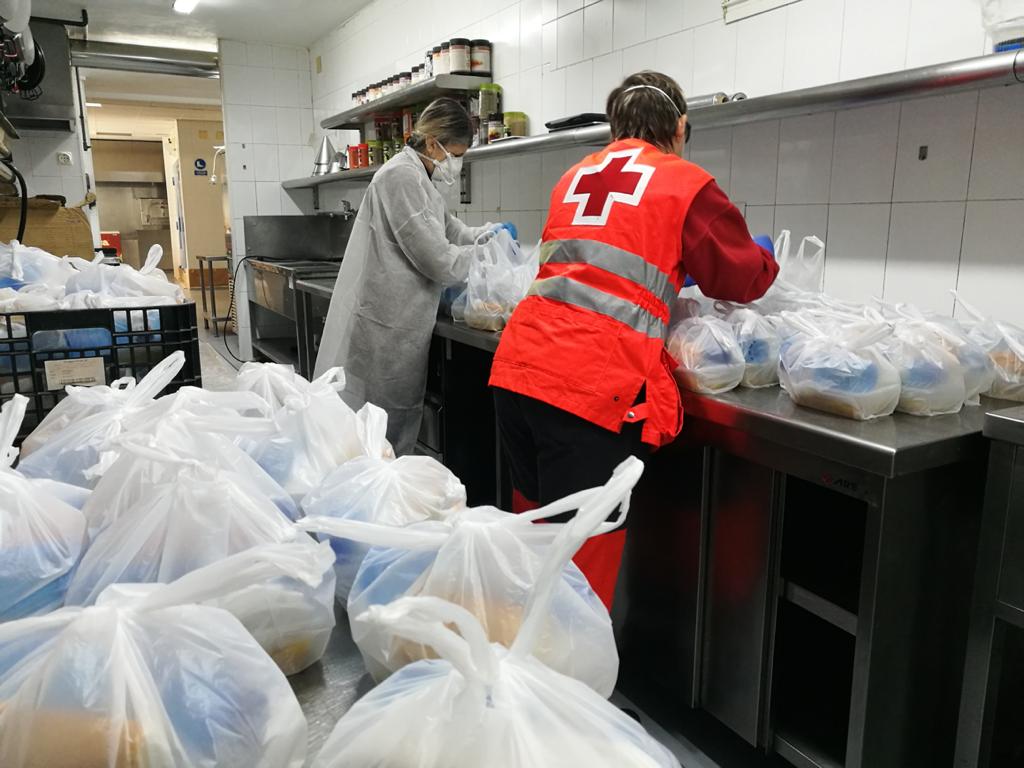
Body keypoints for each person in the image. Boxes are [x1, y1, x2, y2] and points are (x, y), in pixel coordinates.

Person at [489, 71, 780, 609]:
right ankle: (564, 687)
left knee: (535, 544)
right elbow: (739, 278)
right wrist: (761, 256)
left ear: (614, 125)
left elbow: (604, 266)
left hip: (520, 372)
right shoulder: (683, 181)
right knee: (579, 575)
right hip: (587, 392)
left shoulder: (574, 176)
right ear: (680, 125)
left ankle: (518, 676)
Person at [315, 97, 515, 455]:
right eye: (455, 153)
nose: (456, 164)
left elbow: (449, 230)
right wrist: (483, 253)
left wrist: (486, 233)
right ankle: (378, 501)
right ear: (434, 141)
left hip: (403, 318)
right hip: (389, 323)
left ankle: (387, 493)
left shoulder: (419, 176)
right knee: (382, 430)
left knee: (390, 426)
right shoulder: (400, 177)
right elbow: (438, 259)